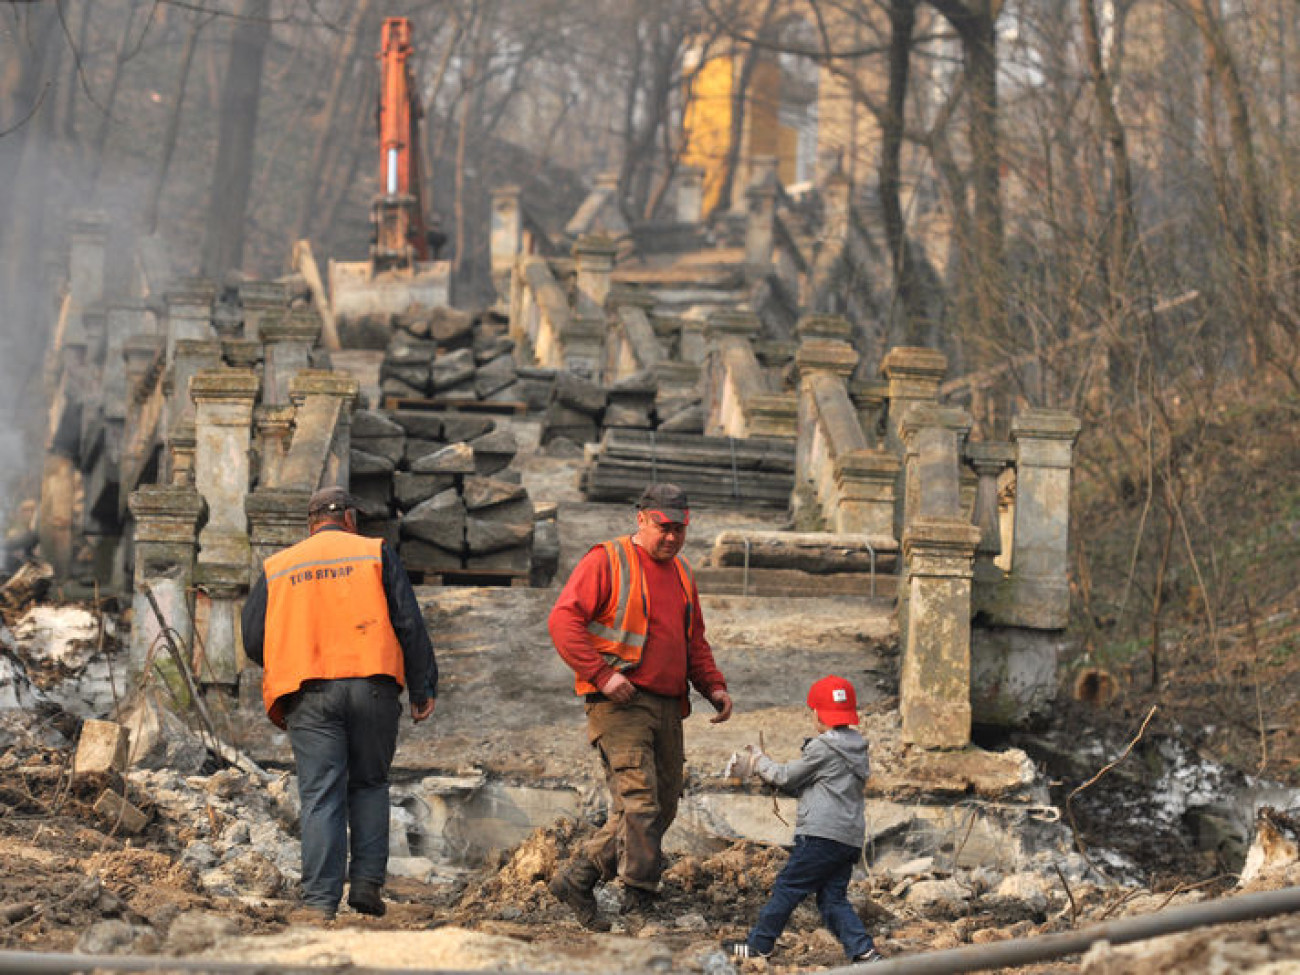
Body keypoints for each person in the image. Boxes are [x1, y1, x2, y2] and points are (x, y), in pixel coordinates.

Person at [241, 486, 437, 922]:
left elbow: (253, 638)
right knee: (369, 783)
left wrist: (289, 657)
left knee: (320, 795)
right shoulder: (374, 553)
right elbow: (409, 622)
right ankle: (366, 884)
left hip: (308, 693)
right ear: (349, 518)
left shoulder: (279, 566)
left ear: (310, 524)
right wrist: (423, 688)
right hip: (372, 687)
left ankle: (319, 902)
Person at [547, 483, 733, 930]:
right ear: (642, 519)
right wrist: (603, 675)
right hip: (620, 701)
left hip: (669, 705)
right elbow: (563, 620)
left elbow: (693, 642)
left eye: (680, 530)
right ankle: (638, 901)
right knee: (640, 804)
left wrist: (715, 687)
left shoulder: (684, 574)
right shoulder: (607, 560)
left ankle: (578, 877)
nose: (671, 538)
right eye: (663, 528)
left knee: (661, 808)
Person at [724, 675, 883, 964]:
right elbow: (811, 785)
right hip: (848, 838)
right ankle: (864, 952)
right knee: (832, 898)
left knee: (788, 885)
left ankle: (760, 945)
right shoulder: (856, 748)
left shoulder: (823, 747)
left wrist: (758, 762)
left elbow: (785, 776)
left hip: (821, 836)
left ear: (817, 715)